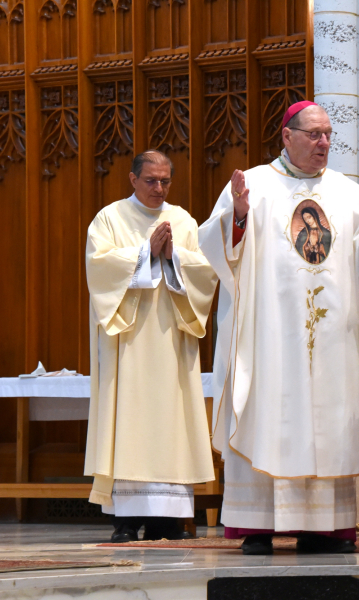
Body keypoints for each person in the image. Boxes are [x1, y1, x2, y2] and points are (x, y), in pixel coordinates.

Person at [198, 101, 359, 555]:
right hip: (271, 340)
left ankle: (326, 527)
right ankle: (259, 526)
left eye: (328, 134)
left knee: (330, 421)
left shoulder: (349, 194)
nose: (323, 142)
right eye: (313, 134)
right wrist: (240, 217)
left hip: (334, 342)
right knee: (271, 413)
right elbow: (215, 247)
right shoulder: (253, 185)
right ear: (286, 136)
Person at [84, 150, 218, 542]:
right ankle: (125, 520)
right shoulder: (109, 218)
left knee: (170, 421)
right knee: (128, 419)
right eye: (151, 181)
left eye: (165, 182)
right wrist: (145, 253)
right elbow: (99, 268)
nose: (159, 189)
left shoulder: (183, 221)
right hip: (129, 342)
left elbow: (204, 272)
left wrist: (173, 254)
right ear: (132, 179)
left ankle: (166, 518)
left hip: (171, 339)